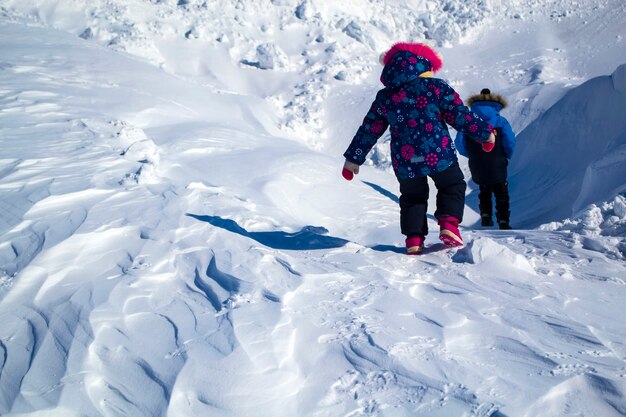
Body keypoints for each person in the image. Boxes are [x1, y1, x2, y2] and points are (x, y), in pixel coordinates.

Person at [342, 42, 496, 255]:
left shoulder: (385, 97)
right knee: (452, 185)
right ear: (425, 65)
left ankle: (414, 239)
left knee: (412, 197)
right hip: (438, 153)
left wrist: (353, 159)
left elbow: (369, 129)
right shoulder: (437, 87)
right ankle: (449, 225)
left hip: (405, 160)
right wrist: (485, 134)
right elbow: (460, 116)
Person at [454, 88, 516, 230]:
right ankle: (503, 220)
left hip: (478, 161)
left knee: (484, 188)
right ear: (494, 103)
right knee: (501, 190)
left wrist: (471, 154)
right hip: (498, 160)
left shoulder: (468, 120)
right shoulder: (501, 121)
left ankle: (486, 216)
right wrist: (506, 154)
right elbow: (510, 141)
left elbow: (459, 143)